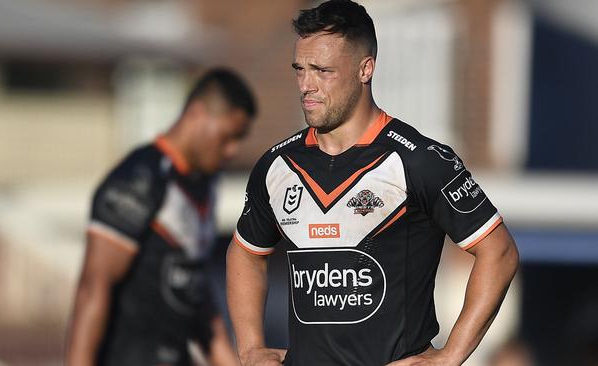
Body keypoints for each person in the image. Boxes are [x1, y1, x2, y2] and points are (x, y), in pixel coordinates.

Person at [226, 1, 520, 365]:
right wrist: (251, 347)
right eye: (299, 69)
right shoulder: (276, 165)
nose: (306, 85)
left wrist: (450, 355)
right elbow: (245, 251)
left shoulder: (418, 159)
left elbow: (499, 252)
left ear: (366, 69)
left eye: (322, 70)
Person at [66, 68, 256, 366]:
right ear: (197, 114)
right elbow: (93, 286)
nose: (232, 150)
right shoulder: (139, 179)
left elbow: (198, 294)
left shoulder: (205, 185)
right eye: (228, 137)